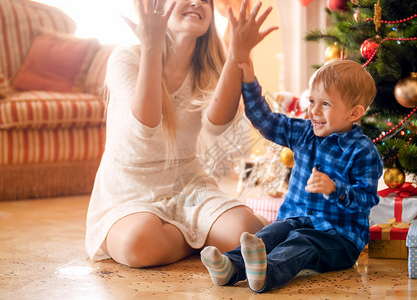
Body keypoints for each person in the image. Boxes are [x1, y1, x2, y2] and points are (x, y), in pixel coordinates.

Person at [85, 0, 277, 268]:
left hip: (188, 187)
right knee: (138, 244)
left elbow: (217, 125)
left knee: (249, 231)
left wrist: (236, 54)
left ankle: (181, 236)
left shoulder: (209, 68)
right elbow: (145, 129)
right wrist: (152, 47)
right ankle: (197, 239)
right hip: (129, 191)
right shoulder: (126, 57)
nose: (197, 2)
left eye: (206, 1)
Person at [200, 58, 384, 292]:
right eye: (312, 101)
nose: (314, 111)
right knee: (272, 232)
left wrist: (334, 188)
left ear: (354, 112)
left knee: (302, 242)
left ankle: (266, 274)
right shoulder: (304, 132)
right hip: (296, 220)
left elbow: (367, 198)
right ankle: (231, 268)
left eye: (325, 104)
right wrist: (248, 80)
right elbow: (265, 121)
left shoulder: (362, 150)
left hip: (339, 238)